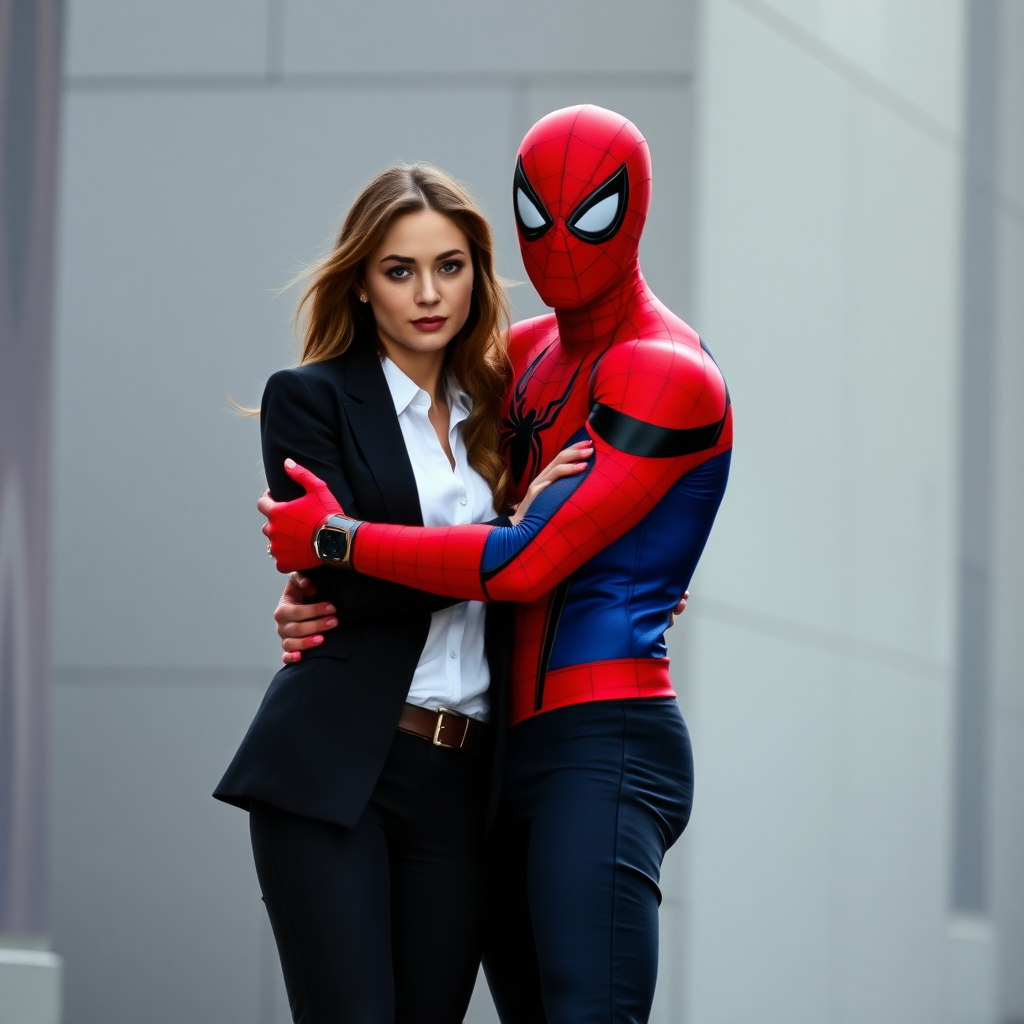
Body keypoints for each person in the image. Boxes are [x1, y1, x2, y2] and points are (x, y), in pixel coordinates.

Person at [260, 106, 733, 1024]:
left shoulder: (662, 371)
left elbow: (520, 566)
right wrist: (321, 595)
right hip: (490, 757)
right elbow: (459, 524)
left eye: (586, 213)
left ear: (632, 210)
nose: (558, 241)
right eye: (536, 211)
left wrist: (336, 541)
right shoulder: (515, 361)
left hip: (602, 735)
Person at [213, 162, 587, 1024]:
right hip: (340, 765)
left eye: (450, 266)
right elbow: (349, 579)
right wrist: (513, 546)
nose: (430, 293)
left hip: (463, 786)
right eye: (400, 270)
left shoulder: (511, 413)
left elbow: (565, 555)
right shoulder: (309, 401)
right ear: (362, 285)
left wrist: (599, 573)